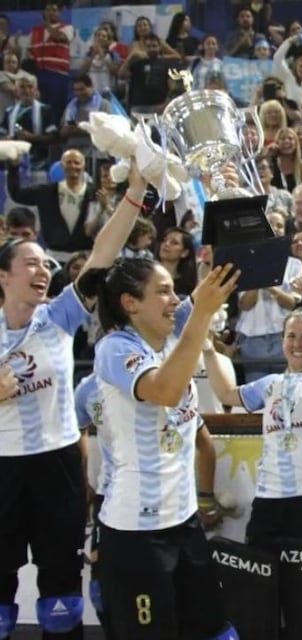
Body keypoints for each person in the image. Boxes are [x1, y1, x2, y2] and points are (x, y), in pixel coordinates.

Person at [0, 160, 146, 640]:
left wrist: (135, 192)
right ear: (4, 275)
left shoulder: (57, 316)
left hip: (57, 461)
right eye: (31, 264)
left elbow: (102, 253)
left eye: (47, 263)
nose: (43, 271)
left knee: (61, 583)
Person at [78, 259, 239, 639]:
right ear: (130, 303)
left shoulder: (167, 340)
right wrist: (199, 315)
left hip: (183, 522)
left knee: (215, 632)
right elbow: (165, 391)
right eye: (163, 291)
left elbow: (204, 297)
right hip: (137, 534)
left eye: (174, 290)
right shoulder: (115, 348)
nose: (175, 300)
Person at [202, 306, 302, 635]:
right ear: (282, 341)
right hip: (270, 501)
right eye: (290, 336)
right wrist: (208, 348)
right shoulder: (268, 385)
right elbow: (226, 393)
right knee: (260, 590)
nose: (297, 343)